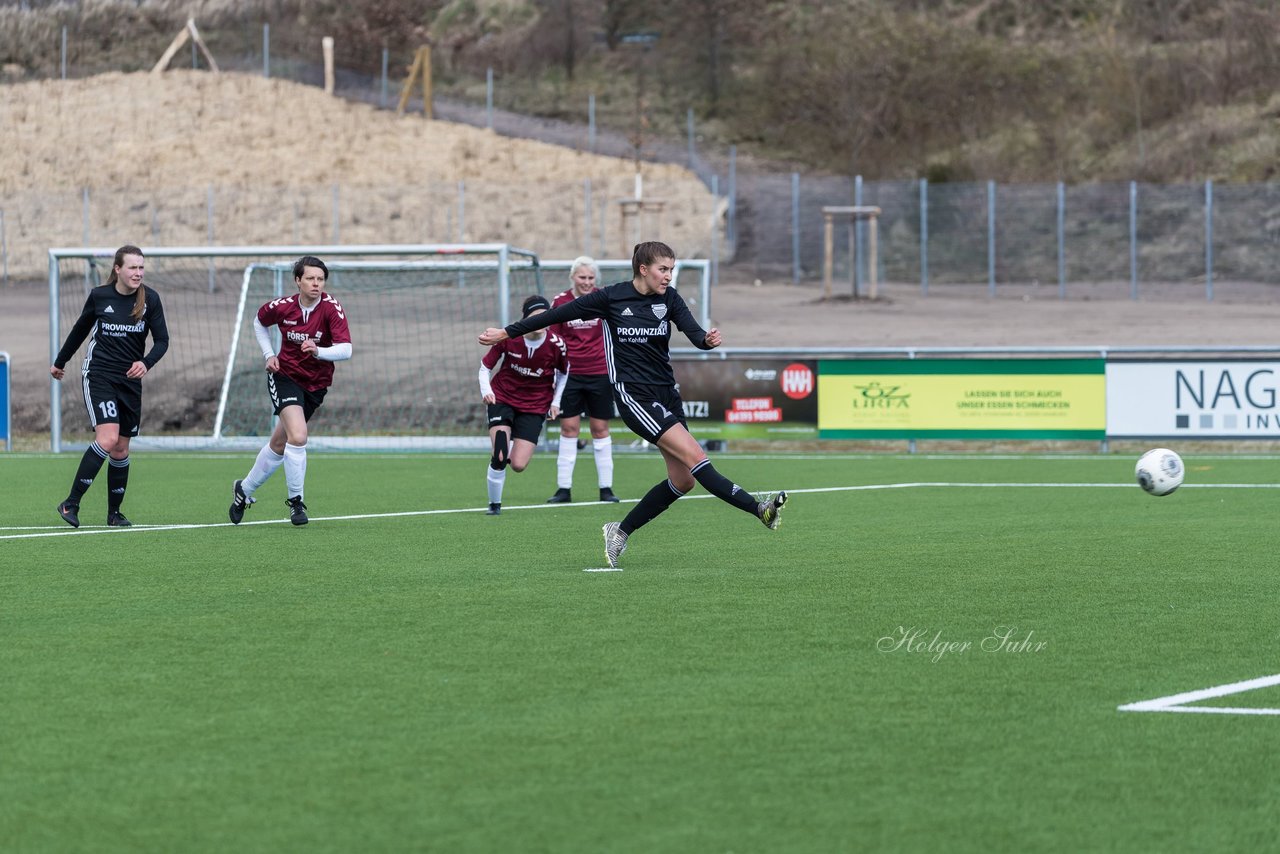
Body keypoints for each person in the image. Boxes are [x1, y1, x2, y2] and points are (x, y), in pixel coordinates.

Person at [479, 241, 787, 567]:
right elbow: (556, 315)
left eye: (671, 269)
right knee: (698, 458)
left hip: (667, 394)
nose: (669, 276)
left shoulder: (669, 298)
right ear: (643, 269)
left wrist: (707, 341)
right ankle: (758, 509)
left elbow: (695, 333)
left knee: (683, 480)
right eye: (663, 269)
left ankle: (620, 531)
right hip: (633, 396)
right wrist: (506, 333)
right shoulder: (611, 297)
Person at [50, 244, 169, 528]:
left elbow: (162, 340)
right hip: (99, 375)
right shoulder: (100, 296)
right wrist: (60, 361)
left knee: (121, 450)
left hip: (130, 381)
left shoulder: (150, 299)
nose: (138, 273)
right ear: (117, 269)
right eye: (132, 267)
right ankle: (71, 503)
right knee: (108, 439)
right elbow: (80, 329)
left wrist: (146, 363)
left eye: (141, 267)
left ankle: (114, 514)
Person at [228, 255, 352, 527]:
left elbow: (346, 349)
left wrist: (319, 351)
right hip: (284, 376)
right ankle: (296, 503)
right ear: (298, 281)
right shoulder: (283, 307)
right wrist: (269, 354)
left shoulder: (332, 309)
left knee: (279, 443)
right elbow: (259, 321)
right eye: (310, 278)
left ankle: (244, 490)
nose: (316, 284)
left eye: (320, 279)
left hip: (316, 384)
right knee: (298, 435)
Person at [479, 294, 570, 515]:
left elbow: (564, 373)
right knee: (500, 452)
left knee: (518, 464)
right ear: (526, 318)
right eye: (535, 317)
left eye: (545, 317)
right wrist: (487, 391)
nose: (540, 322)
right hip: (503, 397)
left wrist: (555, 402)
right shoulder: (509, 337)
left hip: (535, 405)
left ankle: (509, 442)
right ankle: (494, 505)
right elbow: (484, 368)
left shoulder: (556, 345)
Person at [545, 256, 620, 505]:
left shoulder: (604, 299)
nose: (586, 282)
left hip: (599, 373)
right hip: (570, 376)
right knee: (569, 429)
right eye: (582, 277)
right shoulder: (560, 302)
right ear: (572, 278)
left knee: (600, 429)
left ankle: (606, 488)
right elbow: (554, 339)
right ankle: (563, 489)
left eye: (590, 278)